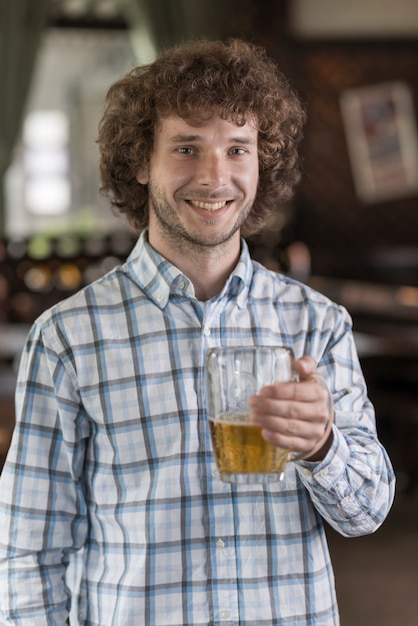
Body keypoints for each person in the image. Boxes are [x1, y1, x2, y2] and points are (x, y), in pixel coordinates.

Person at [0, 38, 395, 626]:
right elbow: (28, 551)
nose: (216, 177)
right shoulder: (67, 339)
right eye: (187, 147)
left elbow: (366, 514)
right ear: (140, 161)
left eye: (238, 149)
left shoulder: (318, 324)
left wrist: (322, 446)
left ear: (264, 160)